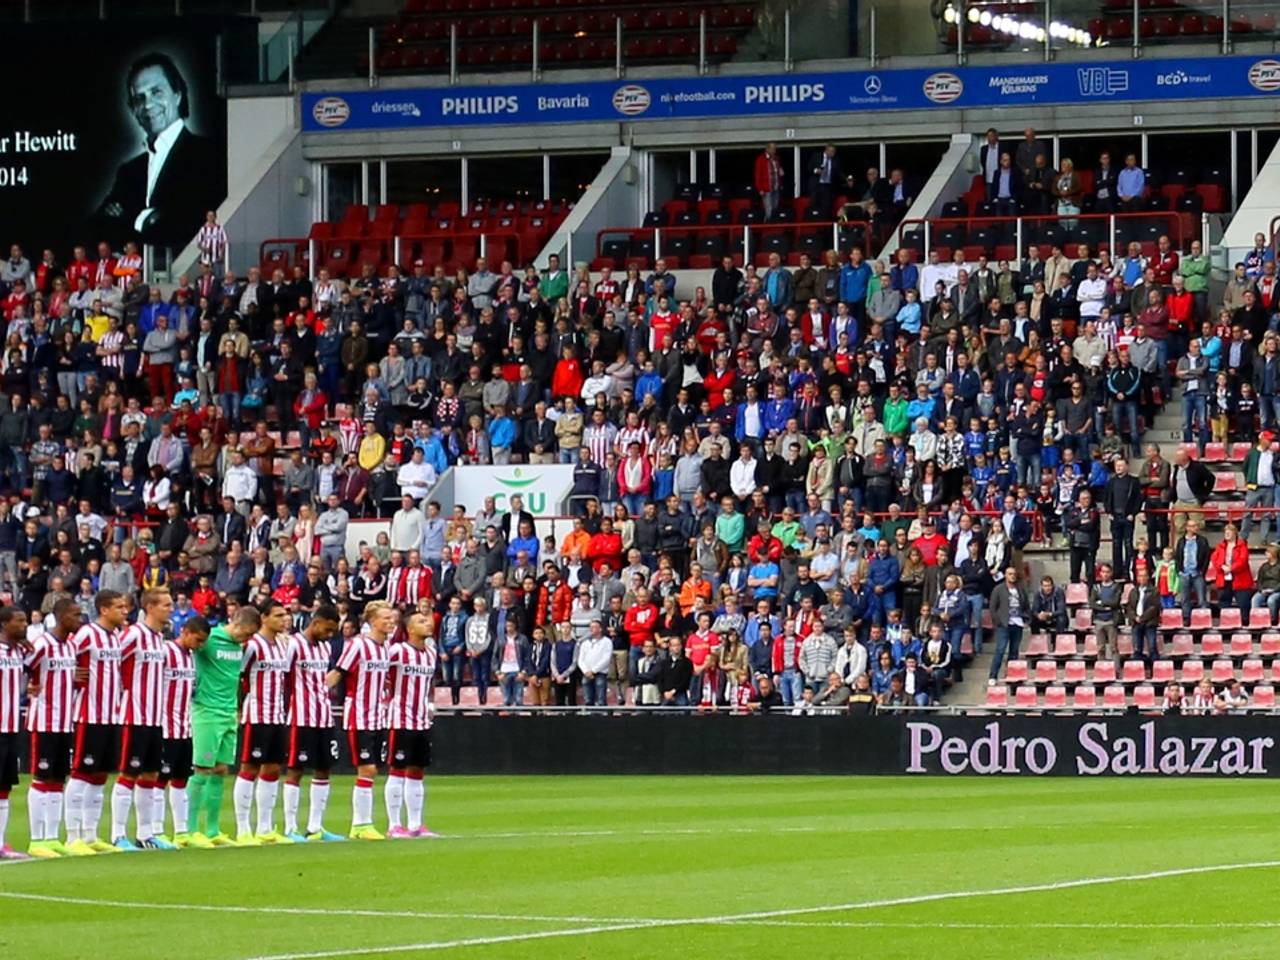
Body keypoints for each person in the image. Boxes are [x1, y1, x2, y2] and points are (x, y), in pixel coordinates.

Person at [98, 52, 222, 245]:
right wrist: (149, 219)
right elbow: (99, 228)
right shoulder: (128, 172)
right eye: (139, 98)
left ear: (177, 95)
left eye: (157, 92)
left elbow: (187, 222)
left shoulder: (208, 155)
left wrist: (130, 220)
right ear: (133, 110)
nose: (148, 104)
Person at [110, 588, 177, 850]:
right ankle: (118, 835)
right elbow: (113, 664)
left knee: (150, 773)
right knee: (129, 772)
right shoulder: (134, 634)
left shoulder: (160, 638)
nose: (170, 609)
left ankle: (146, 833)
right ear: (150, 607)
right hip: (134, 715)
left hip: (155, 717)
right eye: (166, 605)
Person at [186, 605, 257, 845]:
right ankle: (191, 829)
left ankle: (213, 830)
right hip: (207, 712)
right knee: (202, 769)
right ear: (237, 624)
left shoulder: (239, 646)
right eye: (246, 633)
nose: (246, 639)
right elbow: (188, 648)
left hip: (229, 713)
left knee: (221, 769)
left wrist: (236, 707)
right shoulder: (210, 639)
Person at [66, 590, 130, 853]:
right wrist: (71, 674)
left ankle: (91, 835)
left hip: (111, 715)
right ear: (104, 610)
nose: (125, 611)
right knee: (81, 772)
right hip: (88, 714)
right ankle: (72, 837)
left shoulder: (116, 637)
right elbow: (62, 658)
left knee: (100, 776)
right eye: (119, 607)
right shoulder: (85, 634)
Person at [327, 600, 394, 841]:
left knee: (374, 770)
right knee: (367, 768)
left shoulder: (385, 648)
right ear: (372, 621)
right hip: (359, 716)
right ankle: (360, 823)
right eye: (385, 618)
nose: (390, 621)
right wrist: (318, 693)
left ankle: (363, 824)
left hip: (379, 717)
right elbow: (338, 673)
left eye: (391, 617)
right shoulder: (358, 645)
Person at [281, 604, 344, 844]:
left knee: (324, 768)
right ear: (316, 622)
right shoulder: (294, 645)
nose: (330, 635)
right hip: (301, 718)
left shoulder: (325, 648)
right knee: (296, 769)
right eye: (327, 629)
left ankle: (315, 826)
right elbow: (285, 679)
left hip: (324, 717)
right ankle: (290, 827)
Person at [233, 602, 293, 846]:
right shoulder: (253, 645)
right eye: (278, 615)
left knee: (272, 769)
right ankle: (243, 828)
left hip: (277, 716)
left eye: (285, 615)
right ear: (264, 618)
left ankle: (265, 827)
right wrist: (237, 708)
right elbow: (237, 675)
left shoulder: (282, 645)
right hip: (256, 715)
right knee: (249, 768)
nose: (284, 619)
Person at [156, 614, 210, 847]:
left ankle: (181, 832)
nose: (199, 646)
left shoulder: (191, 658)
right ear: (185, 632)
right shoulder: (166, 651)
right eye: (197, 640)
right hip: (164, 727)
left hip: (184, 728)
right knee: (159, 780)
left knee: (181, 780)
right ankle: (155, 831)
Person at [384, 611, 439, 839]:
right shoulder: (397, 651)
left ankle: (416, 825)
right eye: (421, 621)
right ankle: (394, 825)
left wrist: (430, 703)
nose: (428, 624)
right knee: (397, 769)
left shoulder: (430, 654)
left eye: (427, 620)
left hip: (421, 719)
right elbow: (380, 675)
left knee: (417, 769)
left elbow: (430, 682)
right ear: (409, 629)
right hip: (400, 718)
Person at [987, 567, 1030, 685]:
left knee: (1014, 651)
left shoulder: (1020, 589)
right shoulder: (998, 589)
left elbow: (1026, 605)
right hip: (1004, 624)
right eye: (1010, 574)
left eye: (1014, 574)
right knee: (1000, 649)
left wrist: (1026, 619)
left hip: (1018, 623)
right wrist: (998, 622)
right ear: (1005, 575)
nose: (1012, 576)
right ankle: (993, 675)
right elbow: (992, 607)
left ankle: (1012, 674)